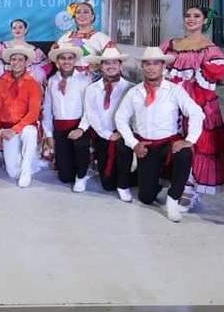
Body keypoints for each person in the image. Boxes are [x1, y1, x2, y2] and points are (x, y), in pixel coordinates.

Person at [115, 46, 204, 222]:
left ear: (163, 66)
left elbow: (196, 113)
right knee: (146, 198)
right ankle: (153, 182)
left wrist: (189, 140)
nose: (151, 67)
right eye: (147, 64)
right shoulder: (134, 92)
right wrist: (134, 143)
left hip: (168, 143)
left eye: (155, 63)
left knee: (185, 153)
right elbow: (120, 118)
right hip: (145, 145)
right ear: (142, 67)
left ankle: (173, 198)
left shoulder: (174, 90)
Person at [160, 7, 224, 210]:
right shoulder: (170, 44)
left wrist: (197, 76)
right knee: (170, 138)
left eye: (196, 16)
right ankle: (174, 182)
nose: (191, 19)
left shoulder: (210, 49)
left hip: (199, 104)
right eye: (188, 15)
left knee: (196, 143)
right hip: (171, 102)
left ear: (204, 21)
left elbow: (218, 73)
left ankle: (190, 189)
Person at [69, 47, 135, 201]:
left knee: (123, 149)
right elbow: (90, 114)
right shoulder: (92, 89)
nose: (110, 66)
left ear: (120, 65)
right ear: (101, 66)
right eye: (106, 63)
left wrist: (124, 132)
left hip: (121, 133)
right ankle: (86, 175)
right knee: (106, 184)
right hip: (102, 133)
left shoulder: (130, 88)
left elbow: (133, 115)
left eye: (114, 63)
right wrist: (104, 133)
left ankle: (124, 185)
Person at [42, 42, 93, 191]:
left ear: (75, 60)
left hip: (78, 126)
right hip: (60, 128)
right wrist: (49, 134)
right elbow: (48, 108)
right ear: (57, 61)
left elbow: (89, 109)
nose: (66, 61)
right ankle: (71, 169)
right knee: (64, 177)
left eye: (70, 58)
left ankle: (82, 175)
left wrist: (82, 129)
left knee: (80, 147)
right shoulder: (52, 81)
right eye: (62, 58)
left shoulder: (84, 80)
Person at [0, 45, 43, 188]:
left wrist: (16, 129)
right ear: (10, 62)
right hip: (7, 128)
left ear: (26, 62)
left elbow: (34, 113)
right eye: (14, 59)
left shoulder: (33, 84)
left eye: (20, 59)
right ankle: (26, 160)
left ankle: (26, 170)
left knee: (30, 133)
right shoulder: (1, 82)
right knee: (12, 173)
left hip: (26, 126)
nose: (16, 62)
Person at [51, 0, 114, 78]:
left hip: (92, 81)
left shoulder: (102, 38)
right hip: (67, 80)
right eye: (78, 12)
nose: (82, 15)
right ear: (74, 17)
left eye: (86, 12)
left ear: (92, 16)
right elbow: (55, 56)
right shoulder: (65, 37)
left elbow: (113, 60)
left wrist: (97, 68)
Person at [0, 18, 51, 87]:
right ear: (11, 31)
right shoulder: (2, 46)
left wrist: (23, 71)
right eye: (14, 28)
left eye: (20, 27)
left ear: (26, 30)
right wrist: (6, 68)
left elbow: (46, 68)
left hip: (26, 82)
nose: (17, 30)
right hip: (4, 81)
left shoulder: (34, 50)